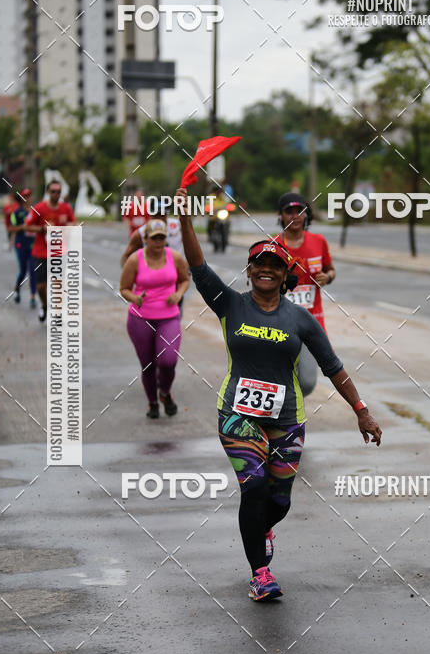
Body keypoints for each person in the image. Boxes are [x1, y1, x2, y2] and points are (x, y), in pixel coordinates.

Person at [178, 190, 382, 602]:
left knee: (279, 500)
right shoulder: (229, 304)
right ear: (249, 271)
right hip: (238, 415)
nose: (267, 270)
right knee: (253, 488)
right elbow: (198, 266)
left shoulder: (300, 319)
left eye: (275, 265)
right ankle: (260, 573)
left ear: (286, 274)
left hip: (287, 419)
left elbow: (333, 367)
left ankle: (262, 527)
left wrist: (361, 411)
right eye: (259, 264)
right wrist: (185, 219)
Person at [119, 219, 190, 419]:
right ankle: (152, 403)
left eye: (162, 238)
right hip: (140, 319)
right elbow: (123, 288)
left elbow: (185, 279)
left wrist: (178, 294)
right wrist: (135, 298)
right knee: (148, 365)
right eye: (154, 238)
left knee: (168, 361)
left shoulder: (175, 257)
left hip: (169, 317)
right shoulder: (135, 259)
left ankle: (165, 392)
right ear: (146, 239)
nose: (158, 242)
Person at [277, 192, 336, 396]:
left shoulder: (319, 241)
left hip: (312, 321)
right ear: (281, 215)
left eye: (300, 211)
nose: (295, 216)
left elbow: (331, 269)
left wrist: (327, 277)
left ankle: (290, 410)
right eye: (289, 211)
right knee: (282, 379)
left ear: (306, 215)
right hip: (281, 322)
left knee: (308, 382)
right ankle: (288, 420)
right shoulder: (274, 245)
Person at [25, 180, 75, 322]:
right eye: (53, 191)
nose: (56, 194)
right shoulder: (39, 208)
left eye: (58, 192)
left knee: (58, 283)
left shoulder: (66, 208)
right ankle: (45, 305)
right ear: (48, 192)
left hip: (60, 252)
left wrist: (64, 227)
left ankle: (57, 313)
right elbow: (27, 226)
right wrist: (43, 228)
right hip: (41, 252)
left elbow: (73, 222)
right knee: (41, 286)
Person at [9, 188, 36, 307]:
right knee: (23, 271)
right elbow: (11, 228)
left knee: (33, 271)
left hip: (33, 245)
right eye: (25, 196)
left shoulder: (36, 212)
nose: (28, 198)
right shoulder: (16, 212)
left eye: (29, 195)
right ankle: (17, 290)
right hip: (20, 245)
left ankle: (33, 297)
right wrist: (22, 227)